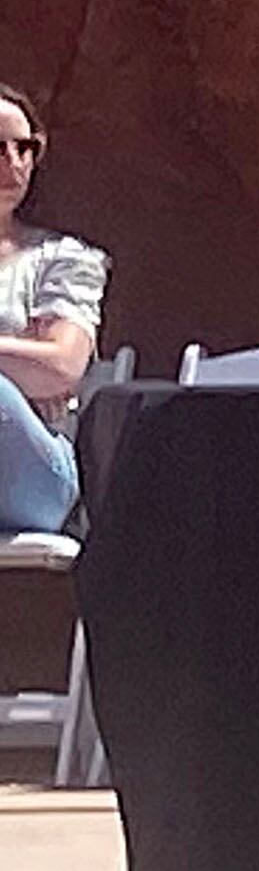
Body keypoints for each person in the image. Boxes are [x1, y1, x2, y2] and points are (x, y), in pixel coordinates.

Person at [0, 82, 103, 533]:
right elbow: (35, 370)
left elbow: (60, 366)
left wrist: (32, 368)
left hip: (40, 471)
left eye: (25, 147)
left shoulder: (62, 258)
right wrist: (20, 353)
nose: (14, 163)